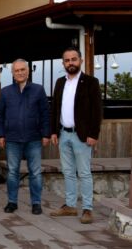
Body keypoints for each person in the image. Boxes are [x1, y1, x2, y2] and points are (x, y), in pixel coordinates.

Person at [49, 47, 103, 224]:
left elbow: (97, 111)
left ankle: (87, 209)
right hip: (64, 134)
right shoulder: (59, 82)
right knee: (68, 172)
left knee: (84, 173)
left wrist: (94, 134)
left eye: (74, 59)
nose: (70, 63)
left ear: (80, 61)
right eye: (67, 60)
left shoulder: (91, 82)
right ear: (63, 63)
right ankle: (70, 206)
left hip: (83, 136)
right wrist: (53, 131)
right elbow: (55, 108)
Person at [0, 59, 50, 215]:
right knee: (13, 172)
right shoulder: (6, 92)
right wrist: (0, 134)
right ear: (12, 73)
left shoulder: (38, 90)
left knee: (35, 172)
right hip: (12, 138)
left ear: (28, 71)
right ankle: (12, 202)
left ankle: (36, 203)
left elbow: (45, 114)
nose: (20, 73)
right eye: (16, 70)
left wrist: (46, 133)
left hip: (33, 138)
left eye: (22, 70)